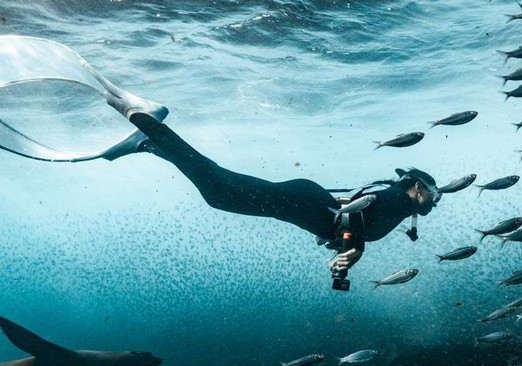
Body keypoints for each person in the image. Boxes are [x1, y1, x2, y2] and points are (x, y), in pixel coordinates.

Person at [121, 112, 439, 290]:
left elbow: (353, 212)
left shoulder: (401, 203)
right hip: (302, 202)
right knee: (219, 190)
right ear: (417, 187)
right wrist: (351, 254)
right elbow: (359, 211)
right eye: (434, 194)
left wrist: (341, 242)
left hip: (304, 199)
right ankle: (146, 123)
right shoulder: (400, 199)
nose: (435, 202)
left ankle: (149, 144)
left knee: (220, 186)